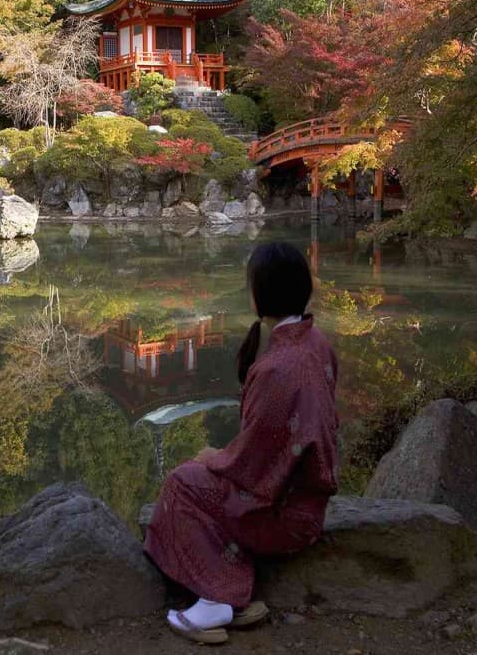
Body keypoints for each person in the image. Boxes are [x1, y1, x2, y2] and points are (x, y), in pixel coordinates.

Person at [144, 241, 339, 644]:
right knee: (198, 476)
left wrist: (215, 457)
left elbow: (252, 467)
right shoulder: (316, 345)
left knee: (182, 485)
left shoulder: (276, 368)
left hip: (283, 517)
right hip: (305, 504)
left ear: (258, 295)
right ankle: (231, 593)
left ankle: (218, 596)